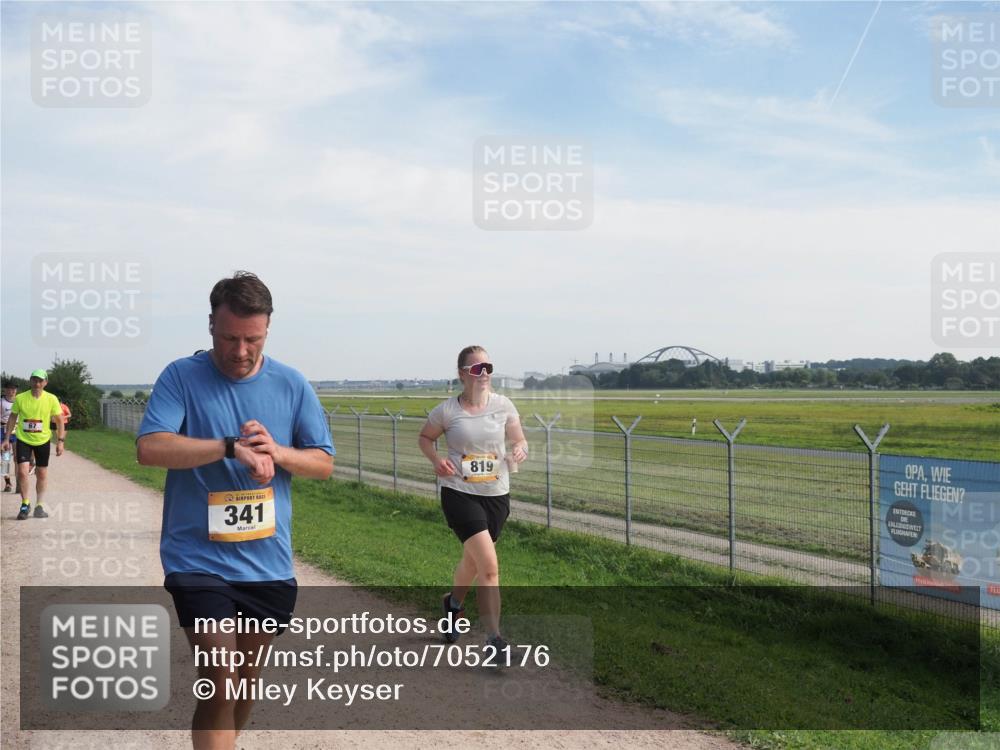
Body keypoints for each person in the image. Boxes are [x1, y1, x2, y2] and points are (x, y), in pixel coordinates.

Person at [136, 271, 334, 750]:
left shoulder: (291, 384)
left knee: (244, 681)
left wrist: (279, 453)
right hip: (197, 560)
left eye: (253, 339)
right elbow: (151, 448)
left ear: (267, 330)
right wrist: (228, 447)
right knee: (220, 676)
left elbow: (323, 462)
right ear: (210, 326)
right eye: (229, 338)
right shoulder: (181, 376)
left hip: (266, 562)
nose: (241, 351)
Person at [418, 345, 528, 655]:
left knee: (473, 561)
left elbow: (519, 440)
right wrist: (436, 459)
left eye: (488, 368)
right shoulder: (446, 411)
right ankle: (494, 641)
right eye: (478, 369)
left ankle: (452, 604)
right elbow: (425, 438)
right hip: (459, 493)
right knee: (489, 567)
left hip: (496, 495)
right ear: (462, 375)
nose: (485, 374)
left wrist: (520, 449)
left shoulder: (504, 405)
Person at [1, 370, 64, 519]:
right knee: (22, 472)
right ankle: (25, 504)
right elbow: (12, 418)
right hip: (23, 439)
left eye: (40, 381)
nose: (37, 383)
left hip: (42, 440)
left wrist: (60, 441)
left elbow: (60, 420)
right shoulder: (21, 398)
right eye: (34, 380)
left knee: (41, 474)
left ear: (45, 383)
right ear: (30, 381)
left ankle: (39, 505)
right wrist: (6, 438)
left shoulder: (51, 399)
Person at [1, 381, 17, 492]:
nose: (11, 391)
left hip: (17, 431)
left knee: (19, 458)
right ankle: (8, 483)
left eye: (14, 389)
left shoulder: (20, 401)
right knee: (5, 458)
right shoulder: (1, 402)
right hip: (3, 430)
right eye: (9, 389)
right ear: (5, 389)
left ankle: (20, 482)